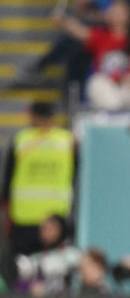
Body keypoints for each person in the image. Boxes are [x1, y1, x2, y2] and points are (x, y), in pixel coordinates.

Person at [1, 102, 76, 257]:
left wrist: (6, 207)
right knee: (54, 263)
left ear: (33, 116)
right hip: (56, 215)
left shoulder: (22, 139)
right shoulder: (66, 139)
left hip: (25, 215)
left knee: (23, 264)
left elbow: (9, 176)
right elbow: (75, 174)